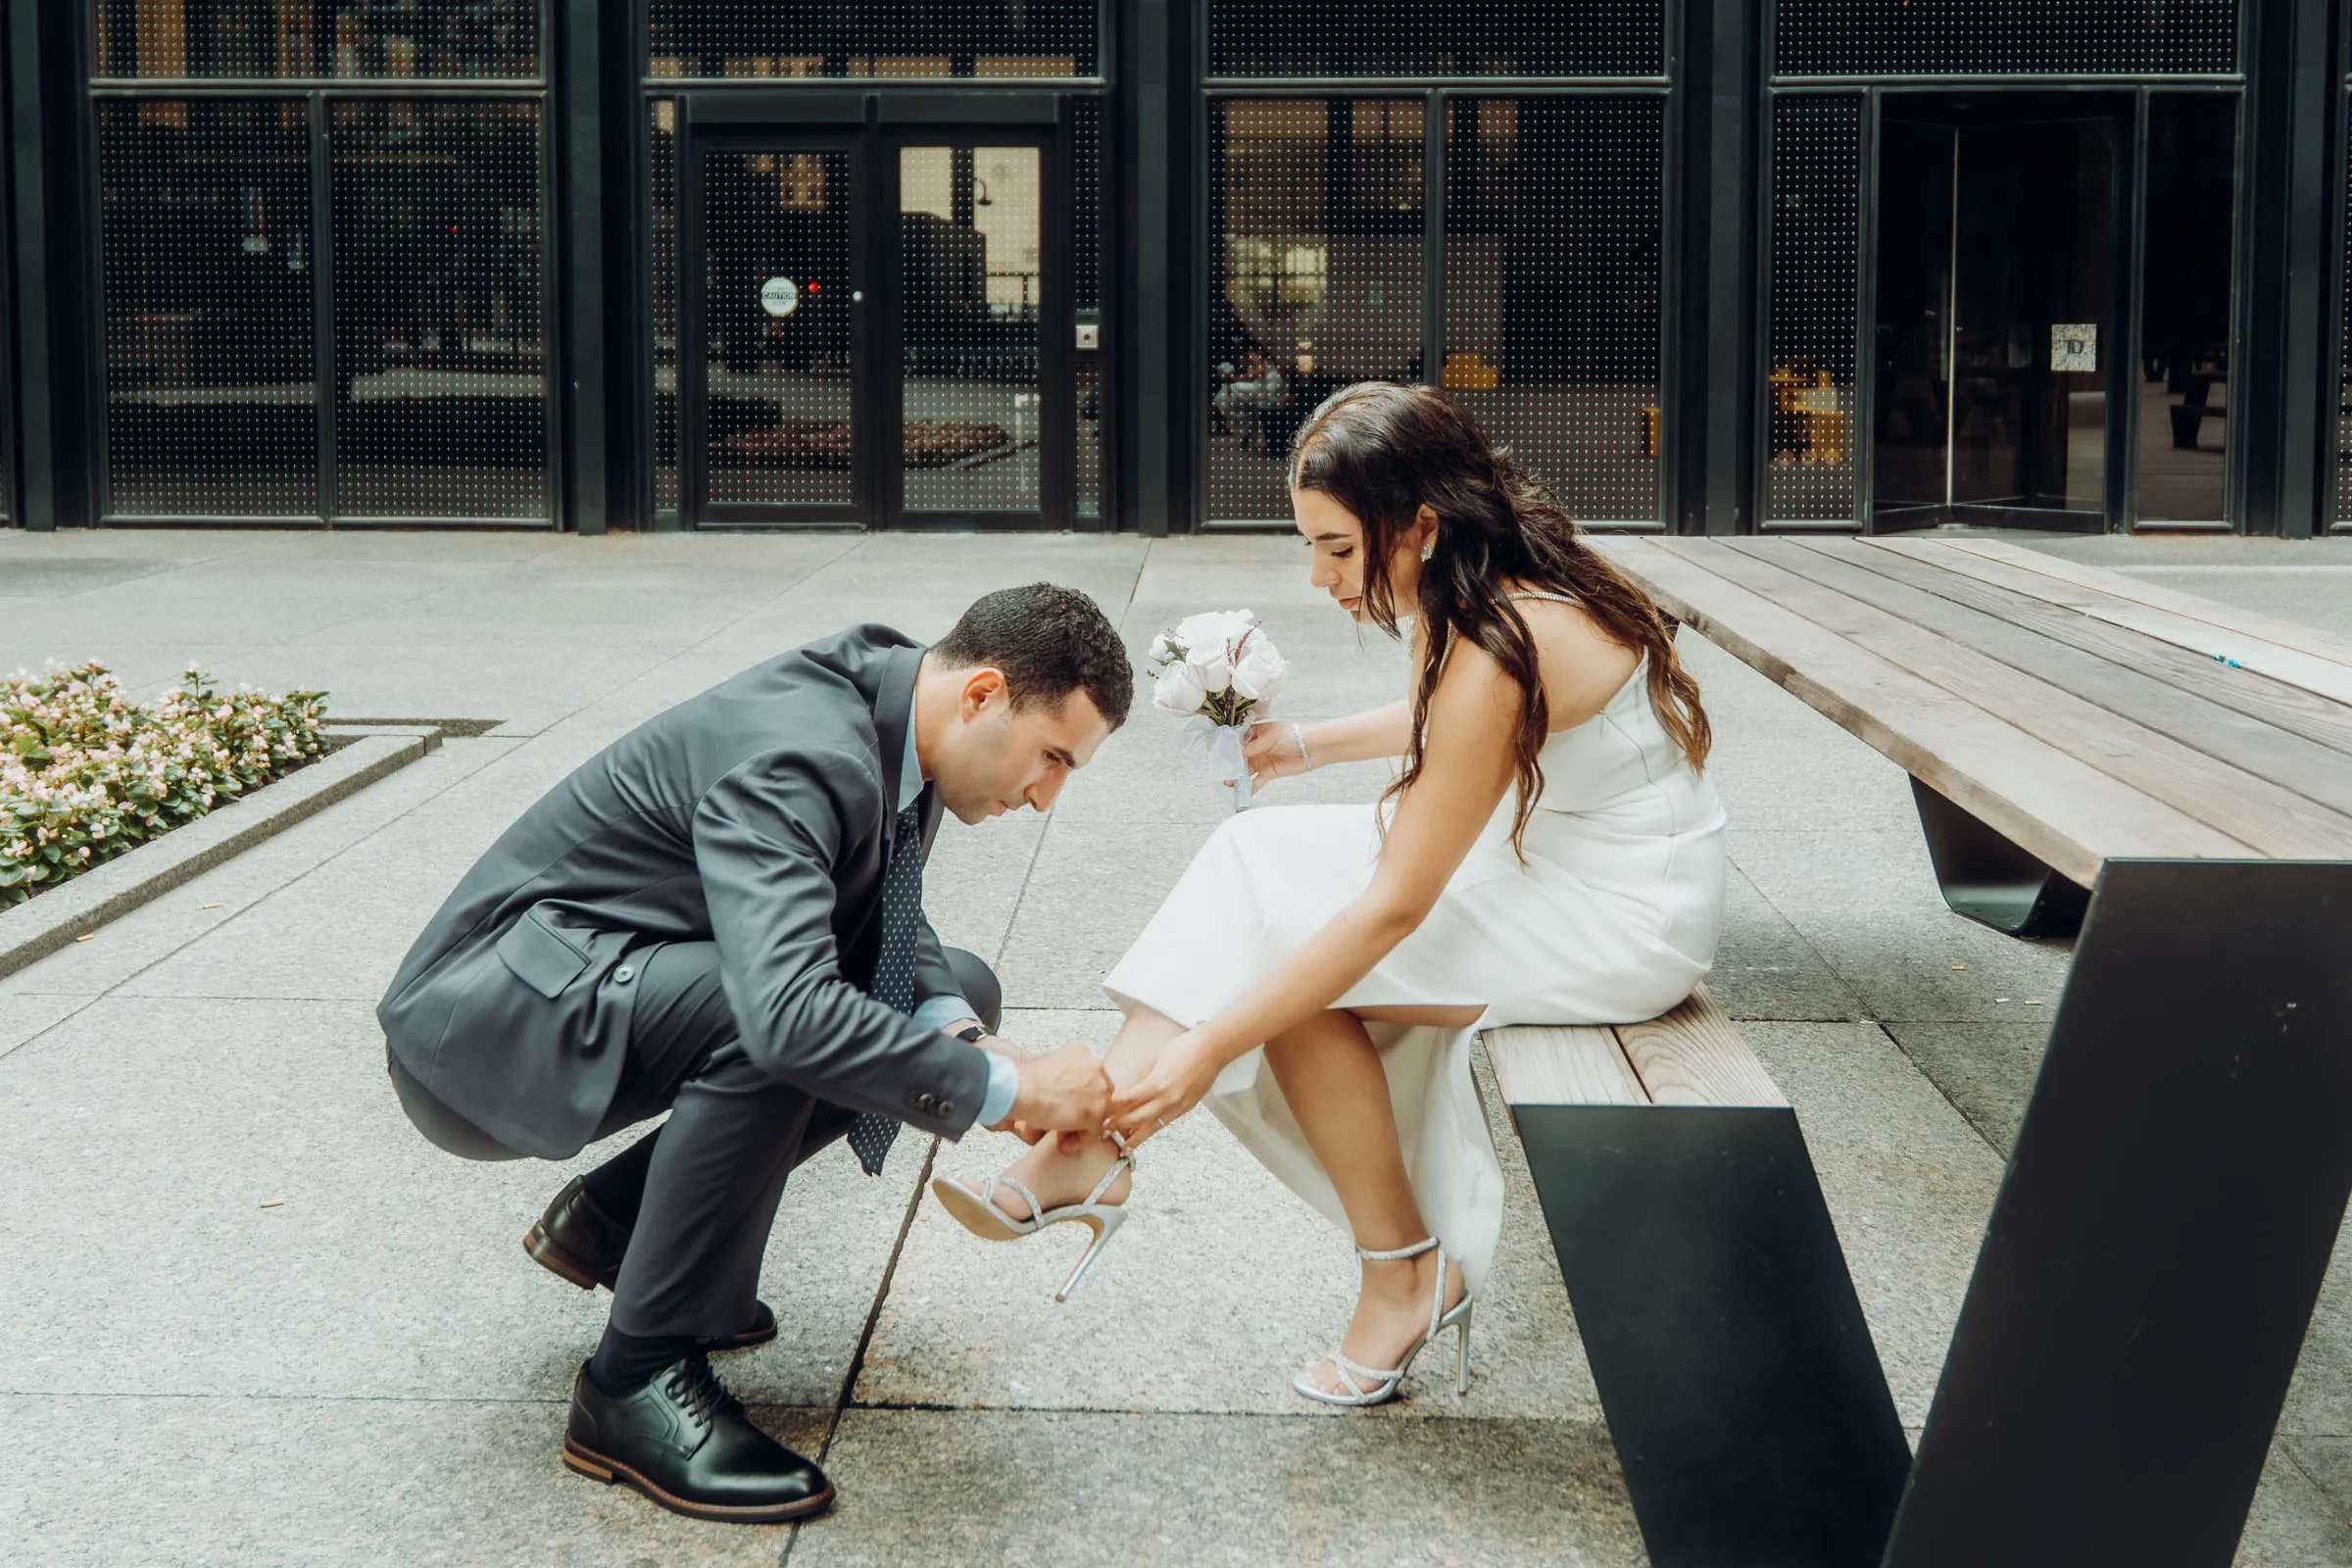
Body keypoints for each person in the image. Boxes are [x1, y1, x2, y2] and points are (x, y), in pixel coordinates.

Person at [934, 383, 1726, 1407]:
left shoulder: (1495, 641)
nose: (1319, 577)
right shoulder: (1487, 587)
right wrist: (1307, 745)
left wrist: (1205, 1052)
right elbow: (1440, 715)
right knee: (1251, 858)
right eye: (1311, 546)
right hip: (1560, 863)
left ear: (1422, 525)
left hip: (1619, 915)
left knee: (1300, 968)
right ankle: (1088, 1147)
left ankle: (1387, 1264)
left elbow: (1396, 900)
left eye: (1340, 548)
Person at [377, 584, 1133, 1523]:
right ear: (982, 694)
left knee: (955, 987)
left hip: (596, 980)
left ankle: (617, 1223)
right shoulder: (802, 751)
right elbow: (786, 1014)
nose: (1046, 796)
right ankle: (633, 1382)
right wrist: (1002, 1084)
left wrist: (964, 1036)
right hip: (492, 1029)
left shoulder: (901, 714)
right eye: (1052, 757)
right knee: (775, 1023)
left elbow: (876, 907)